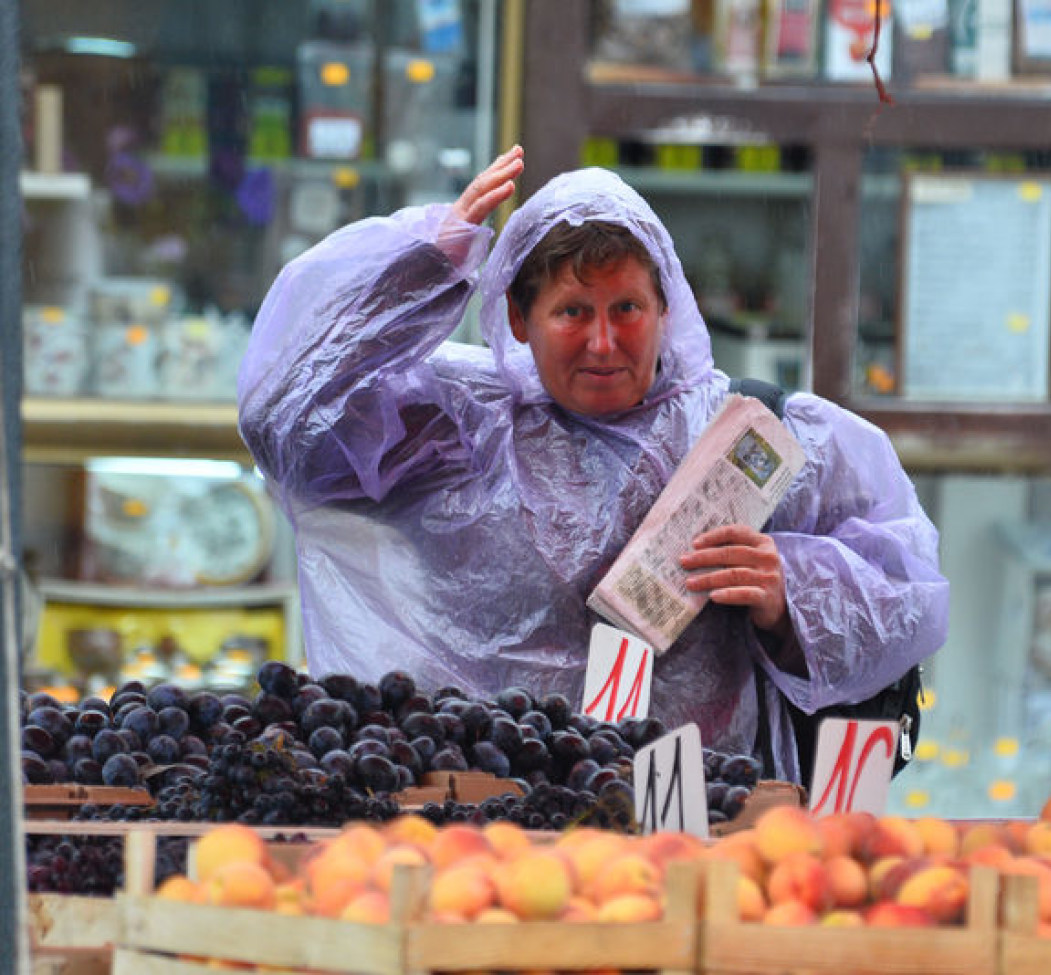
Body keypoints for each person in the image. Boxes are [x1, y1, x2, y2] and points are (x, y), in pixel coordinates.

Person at [237, 146, 948, 784]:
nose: (604, 343)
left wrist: (791, 590)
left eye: (628, 307)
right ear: (518, 318)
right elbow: (286, 419)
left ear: (666, 305)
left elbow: (908, 591)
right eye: (573, 311)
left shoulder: (759, 434)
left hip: (689, 829)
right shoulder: (458, 427)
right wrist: (421, 270)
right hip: (479, 813)